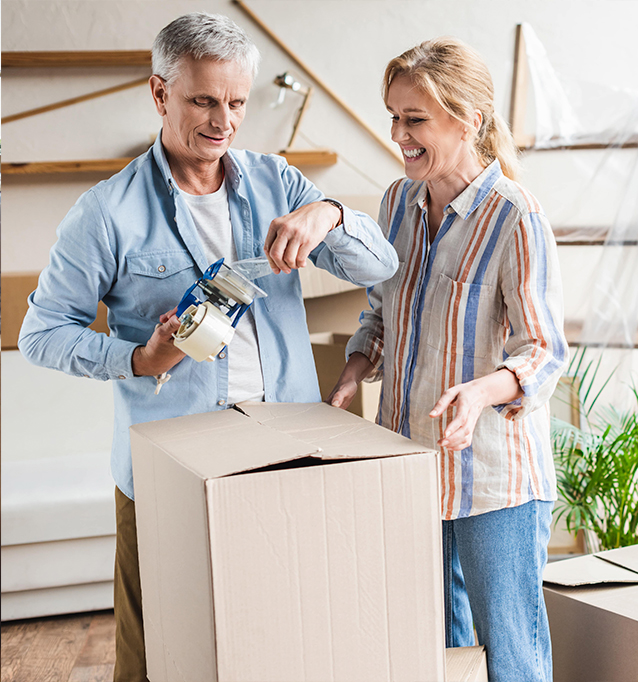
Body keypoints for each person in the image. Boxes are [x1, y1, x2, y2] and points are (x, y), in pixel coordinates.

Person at [18, 13, 397, 682]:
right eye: (203, 100)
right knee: (159, 653)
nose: (223, 119)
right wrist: (138, 359)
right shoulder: (106, 212)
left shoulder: (278, 182)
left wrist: (330, 213)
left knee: (284, 637)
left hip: (284, 453)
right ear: (160, 94)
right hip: (170, 464)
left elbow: (378, 266)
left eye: (237, 102)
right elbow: (41, 335)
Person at [329, 38, 567, 682]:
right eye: (394, 117)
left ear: (471, 121)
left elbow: (543, 352)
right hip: (409, 465)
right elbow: (382, 311)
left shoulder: (515, 217)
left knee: (510, 658)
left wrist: (481, 392)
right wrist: (356, 366)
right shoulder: (396, 204)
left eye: (416, 120)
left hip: (493, 481)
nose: (400, 136)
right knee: (431, 651)